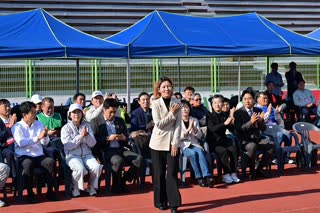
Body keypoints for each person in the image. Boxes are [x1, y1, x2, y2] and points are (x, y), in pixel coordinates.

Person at [91, 98, 143, 194]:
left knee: (138, 159)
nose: (112, 115)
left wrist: (124, 138)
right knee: (118, 160)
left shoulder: (119, 120)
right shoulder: (95, 121)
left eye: (114, 112)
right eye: (110, 112)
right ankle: (116, 187)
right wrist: (107, 138)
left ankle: (122, 182)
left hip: (120, 148)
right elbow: (93, 140)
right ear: (104, 110)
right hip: (106, 150)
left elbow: (126, 136)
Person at [11, 101, 58, 203]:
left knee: (50, 162)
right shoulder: (17, 127)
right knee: (28, 164)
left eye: (35, 112)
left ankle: (50, 191)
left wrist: (45, 136)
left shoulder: (39, 124)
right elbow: (21, 143)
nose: (35, 114)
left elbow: (44, 143)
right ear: (24, 115)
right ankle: (30, 193)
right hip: (23, 155)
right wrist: (38, 138)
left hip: (38, 155)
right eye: (32, 113)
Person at [149, 77, 181, 213]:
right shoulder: (155, 104)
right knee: (159, 174)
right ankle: (160, 201)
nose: (167, 89)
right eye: (163, 87)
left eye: (169, 86)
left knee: (172, 173)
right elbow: (159, 124)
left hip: (172, 143)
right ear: (159, 89)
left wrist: (175, 143)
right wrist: (171, 114)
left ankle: (174, 204)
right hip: (157, 144)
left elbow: (179, 125)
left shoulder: (177, 102)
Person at [61, 103, 103, 197]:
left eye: (79, 112)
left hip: (87, 154)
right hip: (72, 155)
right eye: (74, 112)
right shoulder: (65, 128)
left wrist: (87, 136)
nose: (77, 114)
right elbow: (68, 146)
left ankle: (91, 187)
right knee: (80, 169)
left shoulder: (87, 126)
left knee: (97, 167)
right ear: (70, 115)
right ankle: (75, 187)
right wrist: (80, 136)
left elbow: (93, 143)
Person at [233, 90, 275, 180]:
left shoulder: (258, 110)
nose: (247, 101)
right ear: (242, 101)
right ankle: (251, 171)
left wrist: (261, 122)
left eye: (249, 99)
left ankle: (259, 169)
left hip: (257, 138)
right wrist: (250, 122)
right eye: (245, 99)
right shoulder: (238, 113)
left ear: (253, 100)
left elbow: (263, 129)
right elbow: (239, 129)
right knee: (252, 146)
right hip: (245, 140)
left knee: (271, 145)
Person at [179, 100, 214, 188]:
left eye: (186, 107)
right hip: (183, 146)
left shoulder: (194, 120)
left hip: (194, 143)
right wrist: (188, 130)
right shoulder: (177, 121)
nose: (184, 110)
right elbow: (178, 137)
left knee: (200, 152)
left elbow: (199, 135)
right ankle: (199, 177)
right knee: (193, 154)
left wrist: (194, 128)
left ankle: (207, 176)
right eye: (182, 108)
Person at [206, 95, 240, 184]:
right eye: (215, 103)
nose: (217, 105)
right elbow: (212, 129)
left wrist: (232, 123)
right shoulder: (209, 116)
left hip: (223, 140)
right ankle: (225, 174)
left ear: (222, 104)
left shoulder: (225, 115)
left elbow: (232, 129)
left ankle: (233, 172)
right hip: (213, 142)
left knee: (233, 149)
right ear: (212, 105)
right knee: (224, 151)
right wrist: (224, 124)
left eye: (219, 102)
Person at [255, 92, 293, 164]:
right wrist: (268, 112)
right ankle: (274, 156)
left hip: (276, 128)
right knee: (279, 135)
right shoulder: (256, 109)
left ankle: (286, 157)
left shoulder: (271, 107)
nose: (266, 100)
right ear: (258, 100)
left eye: (267, 98)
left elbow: (279, 120)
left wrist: (277, 113)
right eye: (264, 98)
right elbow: (261, 122)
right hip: (265, 130)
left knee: (288, 134)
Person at [0, 99, 17, 189]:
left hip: (17, 144)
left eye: (9, 106)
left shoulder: (13, 119)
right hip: (4, 146)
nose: (8, 108)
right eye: (5, 106)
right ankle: (14, 179)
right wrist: (9, 127)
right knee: (10, 153)